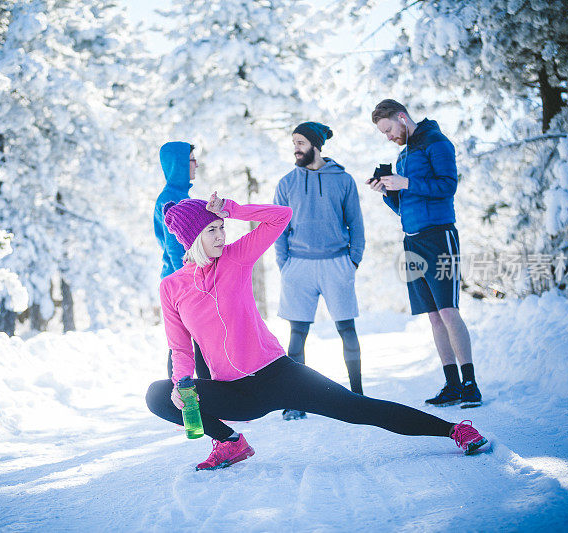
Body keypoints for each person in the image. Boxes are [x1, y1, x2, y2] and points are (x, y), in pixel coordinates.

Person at [145, 192, 489, 471]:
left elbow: (281, 215)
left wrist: (233, 210)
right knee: (158, 395)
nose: (222, 235)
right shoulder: (172, 288)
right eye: (212, 230)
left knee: (357, 409)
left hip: (277, 375)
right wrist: (181, 386)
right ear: (193, 238)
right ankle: (230, 443)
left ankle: (454, 431)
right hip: (232, 392)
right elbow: (181, 349)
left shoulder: (236, 258)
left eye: (222, 228)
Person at [368, 99, 482, 408]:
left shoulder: (437, 142)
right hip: (413, 242)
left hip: (439, 236)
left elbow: (448, 186)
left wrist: (406, 181)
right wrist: (389, 194)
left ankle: (471, 383)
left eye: (389, 129)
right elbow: (406, 205)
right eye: (383, 133)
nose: (389, 136)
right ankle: (452, 384)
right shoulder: (404, 155)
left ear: (402, 118)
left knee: (447, 310)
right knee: (432, 316)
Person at [273, 122, 365, 421]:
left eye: (300, 142)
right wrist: (284, 265)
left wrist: (353, 260)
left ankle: (358, 397)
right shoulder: (287, 183)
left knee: (347, 330)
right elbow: (277, 228)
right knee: (297, 333)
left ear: (315, 145)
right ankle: (294, 401)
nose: (295, 148)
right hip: (298, 265)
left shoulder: (343, 180)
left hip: (336, 262)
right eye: (294, 143)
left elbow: (356, 223)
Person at [153, 142, 209, 379]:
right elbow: (177, 249)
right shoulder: (171, 199)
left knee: (191, 342)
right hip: (182, 282)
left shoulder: (180, 195)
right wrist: (191, 283)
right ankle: (184, 400)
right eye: (191, 159)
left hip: (180, 279)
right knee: (189, 344)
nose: (196, 164)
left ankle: (194, 400)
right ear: (178, 164)